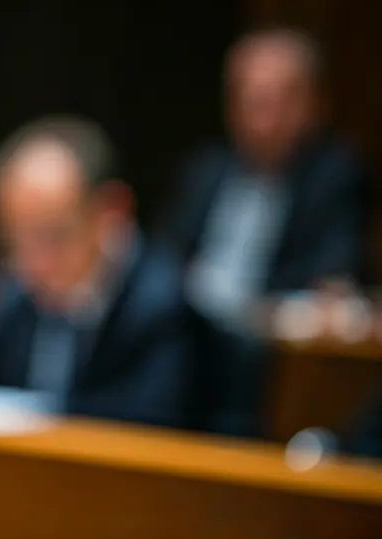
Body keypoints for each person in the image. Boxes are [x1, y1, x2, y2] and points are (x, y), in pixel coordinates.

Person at [157, 27, 371, 436]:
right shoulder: (206, 169)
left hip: (268, 353)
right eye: (249, 101)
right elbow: (165, 256)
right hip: (189, 336)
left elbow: (334, 273)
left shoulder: (336, 175)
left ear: (313, 104)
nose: (261, 120)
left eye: (276, 102)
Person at [0, 117, 198, 429]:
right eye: (13, 242)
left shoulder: (165, 307)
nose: (34, 264)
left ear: (113, 212)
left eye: (54, 236)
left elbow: (148, 430)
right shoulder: (12, 294)